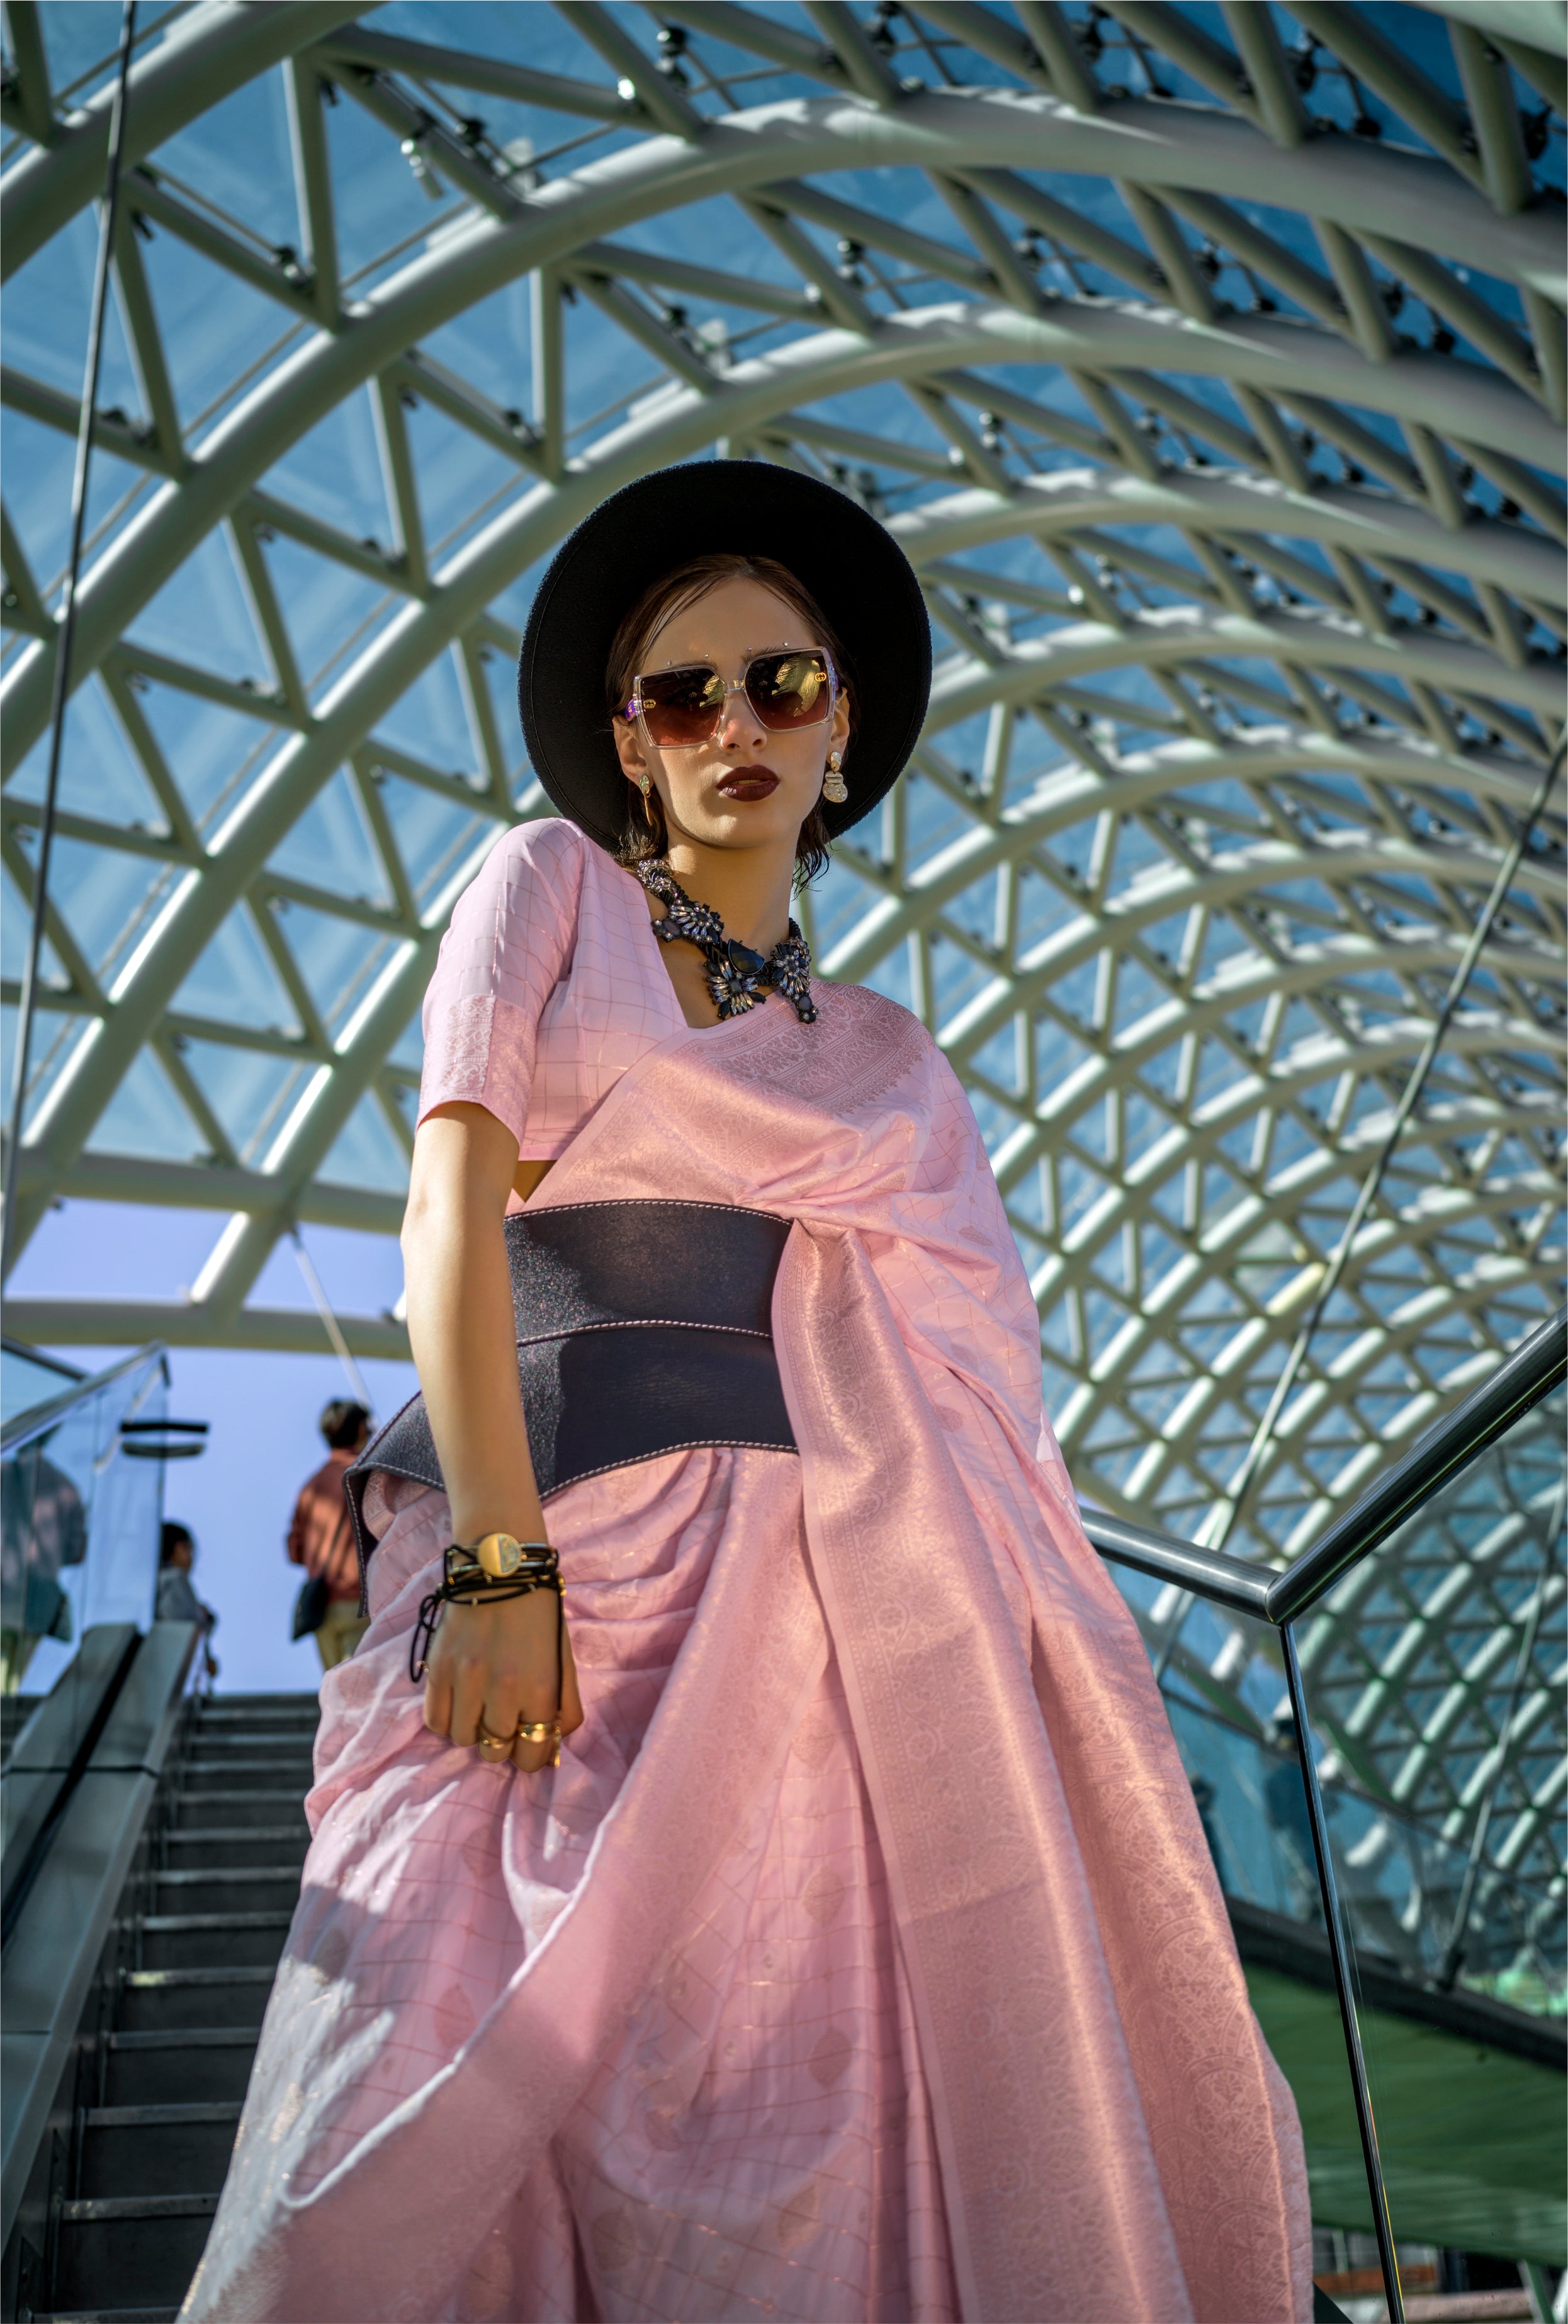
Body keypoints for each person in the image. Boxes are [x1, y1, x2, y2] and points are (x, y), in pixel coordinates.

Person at [186, 465, 1311, 2324]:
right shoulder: (542, 887)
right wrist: (490, 1556)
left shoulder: (889, 1060)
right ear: (625, 747)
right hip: (552, 1578)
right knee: (403, 2097)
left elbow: (976, 1400)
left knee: (824, 2161)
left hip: (835, 1644)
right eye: (680, 695)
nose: (733, 728)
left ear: (842, 725)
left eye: (779, 685)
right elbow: (444, 1217)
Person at [285, 1399, 371, 1669]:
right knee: (360, 1691)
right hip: (361, 1598)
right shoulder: (367, 1475)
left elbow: (294, 1550)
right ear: (360, 1429)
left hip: (322, 1607)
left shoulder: (310, 1488)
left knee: (337, 1688)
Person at [156, 1521, 219, 1682]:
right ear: (179, 1548)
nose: (192, 1559)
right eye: (189, 1550)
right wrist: (207, 1619)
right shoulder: (174, 1580)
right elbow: (188, 1623)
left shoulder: (154, 1582)